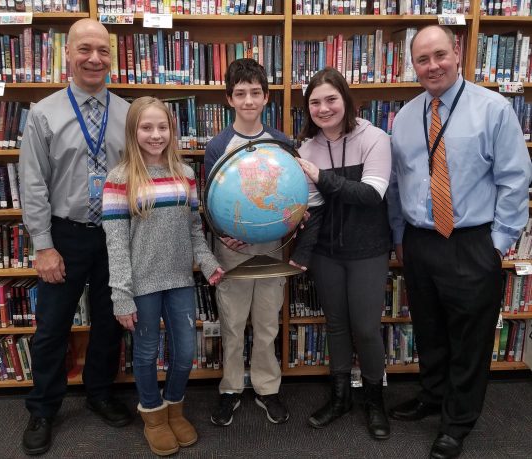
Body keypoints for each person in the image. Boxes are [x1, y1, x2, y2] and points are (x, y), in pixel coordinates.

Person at [387, 25, 532, 459]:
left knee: (469, 337)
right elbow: (397, 184)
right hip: (420, 242)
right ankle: (432, 395)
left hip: (472, 241)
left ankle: (458, 421)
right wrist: (399, 236)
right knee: (429, 327)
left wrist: (498, 242)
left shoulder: (493, 109)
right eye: (422, 59)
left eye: (439, 55)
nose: (432, 66)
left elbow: (515, 178)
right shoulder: (406, 116)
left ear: (458, 53)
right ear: (412, 65)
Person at [18, 19, 133, 455]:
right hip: (65, 235)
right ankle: (42, 408)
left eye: (102, 51)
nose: (94, 59)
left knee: (109, 320)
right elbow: (32, 184)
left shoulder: (128, 113)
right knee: (51, 328)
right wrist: (43, 245)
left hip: (117, 234)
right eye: (85, 49)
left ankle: (100, 393)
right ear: (67, 54)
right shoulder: (44, 113)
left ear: (111, 58)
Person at [101, 96, 224, 456]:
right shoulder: (119, 179)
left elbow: (193, 230)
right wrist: (121, 294)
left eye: (162, 127)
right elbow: (117, 244)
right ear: (133, 131)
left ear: (172, 130)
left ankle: (175, 406)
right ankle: (153, 415)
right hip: (141, 285)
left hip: (180, 280)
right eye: (146, 127)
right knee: (146, 353)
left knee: (186, 352)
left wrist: (209, 262)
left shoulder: (185, 174)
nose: (155, 135)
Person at [288, 66, 392, 440]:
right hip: (327, 254)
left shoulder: (375, 138)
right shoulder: (307, 149)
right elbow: (314, 211)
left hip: (368, 250)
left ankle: (374, 401)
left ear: (345, 100)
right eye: (315, 102)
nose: (323, 108)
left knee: (365, 327)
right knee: (335, 325)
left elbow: (369, 196)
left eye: (331, 99)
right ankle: (340, 396)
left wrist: (320, 175)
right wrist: (303, 253)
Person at [204, 58, 290, 426]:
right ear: (229, 99)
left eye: (256, 92)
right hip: (232, 249)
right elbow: (208, 201)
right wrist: (222, 233)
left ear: (267, 97)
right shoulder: (218, 145)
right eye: (240, 93)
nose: (248, 100)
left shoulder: (283, 143)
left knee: (268, 322)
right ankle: (231, 389)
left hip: (272, 247)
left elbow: (293, 197)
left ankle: (268, 388)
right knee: (233, 322)